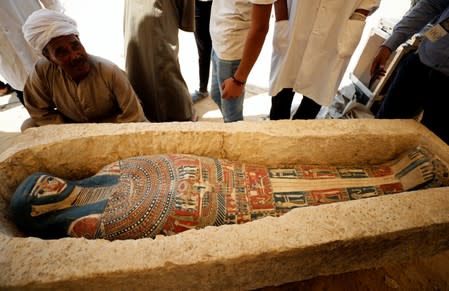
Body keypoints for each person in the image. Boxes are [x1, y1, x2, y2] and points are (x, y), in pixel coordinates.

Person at [10, 146, 448, 240]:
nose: (50, 183)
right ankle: (400, 182)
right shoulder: (85, 225)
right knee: (317, 195)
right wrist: (175, 186)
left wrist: (183, 177)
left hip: (229, 178)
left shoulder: (106, 171)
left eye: (44, 177)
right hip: (233, 207)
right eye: (41, 191)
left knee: (310, 173)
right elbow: (141, 220)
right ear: (42, 210)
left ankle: (392, 170)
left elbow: (158, 165)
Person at [221, 0, 380, 120]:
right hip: (294, 22)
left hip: (338, 28)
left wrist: (359, 16)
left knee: (315, 96)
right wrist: (281, 18)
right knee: (281, 94)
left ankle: (297, 141)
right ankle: (276, 138)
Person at [20, 9, 147, 130]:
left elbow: (134, 116)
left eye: (75, 46)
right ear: (48, 57)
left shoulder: (109, 71)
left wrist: (100, 136)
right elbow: (39, 111)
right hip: (71, 128)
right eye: (62, 52)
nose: (75, 56)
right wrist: (72, 133)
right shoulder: (42, 71)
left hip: (113, 127)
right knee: (29, 126)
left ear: (79, 40)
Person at [371, 0, 449, 145]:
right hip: (421, 63)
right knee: (381, 134)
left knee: (435, 150)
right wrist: (389, 45)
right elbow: (432, 4)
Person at [124, 0, 196, 122]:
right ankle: (179, 116)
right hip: (156, 19)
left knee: (140, 63)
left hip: (141, 18)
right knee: (162, 65)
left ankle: (143, 114)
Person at [0, 0, 64, 105]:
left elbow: (52, 3)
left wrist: (59, 27)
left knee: (83, 112)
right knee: (44, 119)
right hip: (15, 72)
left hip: (46, 48)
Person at [190, 0, 213, 103]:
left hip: (218, 6)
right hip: (197, 5)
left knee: (222, 48)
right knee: (203, 51)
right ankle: (203, 90)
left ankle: (222, 86)